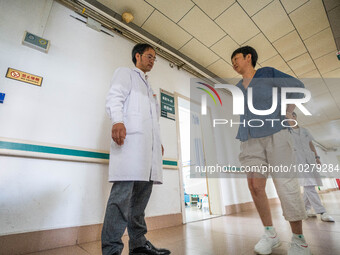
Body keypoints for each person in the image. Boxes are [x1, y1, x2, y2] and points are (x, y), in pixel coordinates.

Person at [231, 46, 311, 255]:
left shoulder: (267, 73)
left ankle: (299, 239)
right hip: (250, 138)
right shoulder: (238, 87)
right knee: (255, 186)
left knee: (285, 184)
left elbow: (298, 87)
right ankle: (270, 234)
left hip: (276, 133)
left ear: (249, 57)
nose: (233, 63)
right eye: (232, 61)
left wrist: (288, 111)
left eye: (236, 58)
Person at [102, 43, 171, 255]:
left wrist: (156, 142)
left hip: (147, 153)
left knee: (139, 203)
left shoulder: (150, 89)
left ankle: (139, 244)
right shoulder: (126, 74)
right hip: (130, 147)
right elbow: (115, 97)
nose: (152, 60)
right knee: (120, 201)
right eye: (149, 56)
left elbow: (152, 122)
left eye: (154, 58)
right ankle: (112, 250)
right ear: (138, 56)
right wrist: (117, 121)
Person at [290, 112, 334, 222]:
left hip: (310, 159)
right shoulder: (286, 133)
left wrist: (317, 157)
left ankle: (305, 209)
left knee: (308, 185)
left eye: (290, 116)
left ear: (295, 117)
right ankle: (322, 212)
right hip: (298, 162)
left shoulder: (304, 131)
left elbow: (311, 144)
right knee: (309, 185)